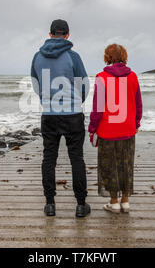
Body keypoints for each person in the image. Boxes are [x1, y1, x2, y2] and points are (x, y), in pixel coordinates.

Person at [30, 19, 91, 218]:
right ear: (67, 35)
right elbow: (84, 84)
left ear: (50, 35)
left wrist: (46, 101)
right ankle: (81, 205)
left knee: (49, 159)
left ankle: (50, 204)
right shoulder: (73, 56)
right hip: (73, 114)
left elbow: (36, 85)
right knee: (77, 159)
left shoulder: (37, 57)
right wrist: (77, 102)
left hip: (49, 115)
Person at [88, 44, 143, 213]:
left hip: (107, 130)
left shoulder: (101, 77)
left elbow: (97, 108)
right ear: (124, 57)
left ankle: (114, 202)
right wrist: (136, 122)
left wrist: (92, 128)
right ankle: (125, 201)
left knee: (109, 166)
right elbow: (138, 104)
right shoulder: (133, 77)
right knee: (126, 164)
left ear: (107, 57)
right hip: (127, 129)